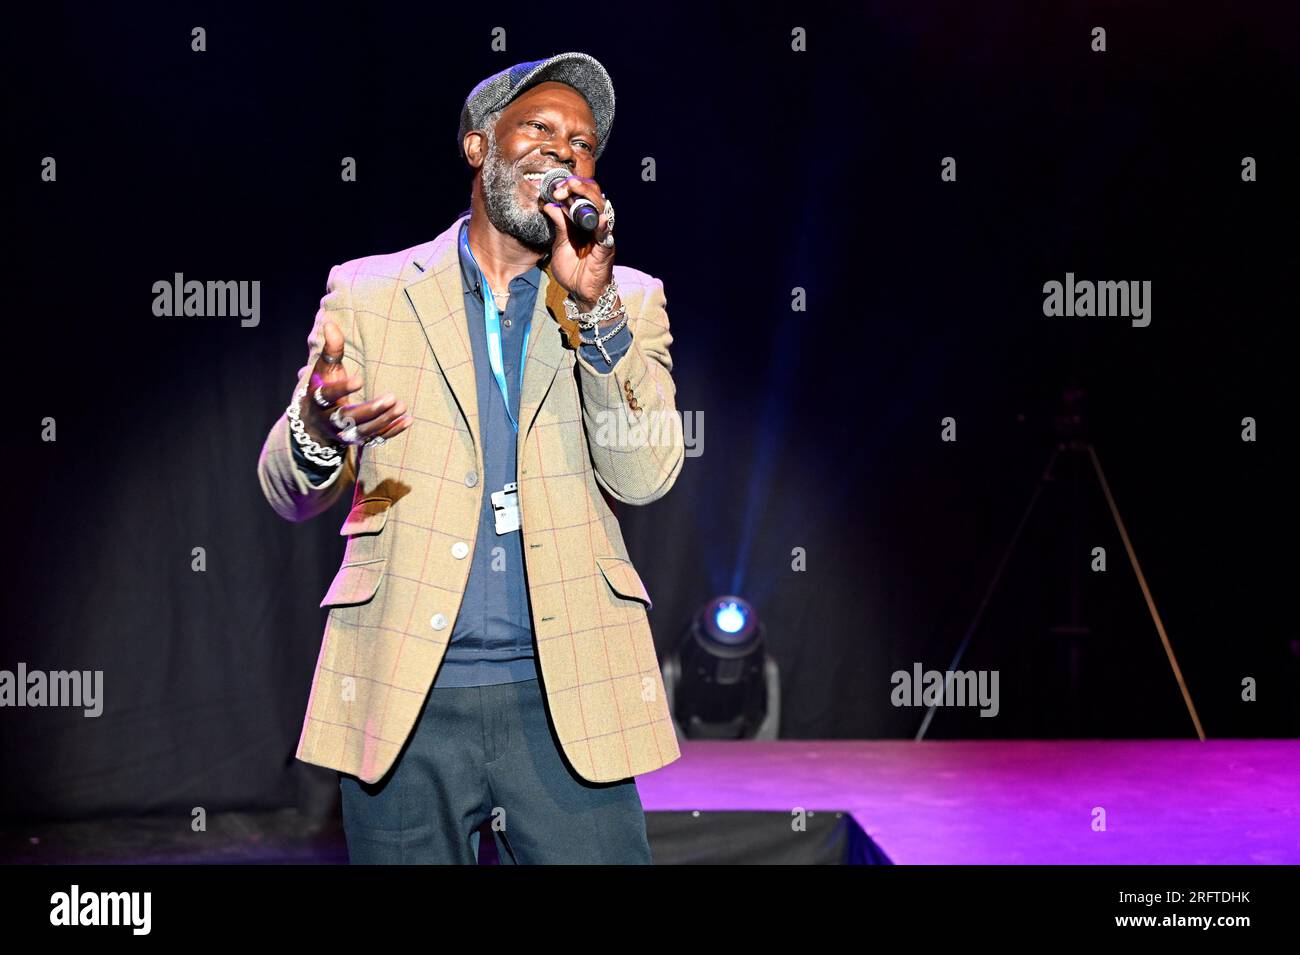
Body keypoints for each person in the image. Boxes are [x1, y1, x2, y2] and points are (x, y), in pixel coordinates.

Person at [256, 51, 684, 863]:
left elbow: (647, 473)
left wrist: (594, 317)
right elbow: (284, 489)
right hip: (406, 693)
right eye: (541, 128)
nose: (565, 151)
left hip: (570, 695)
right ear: (479, 146)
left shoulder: (626, 296)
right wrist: (316, 423)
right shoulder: (370, 294)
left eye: (584, 143)